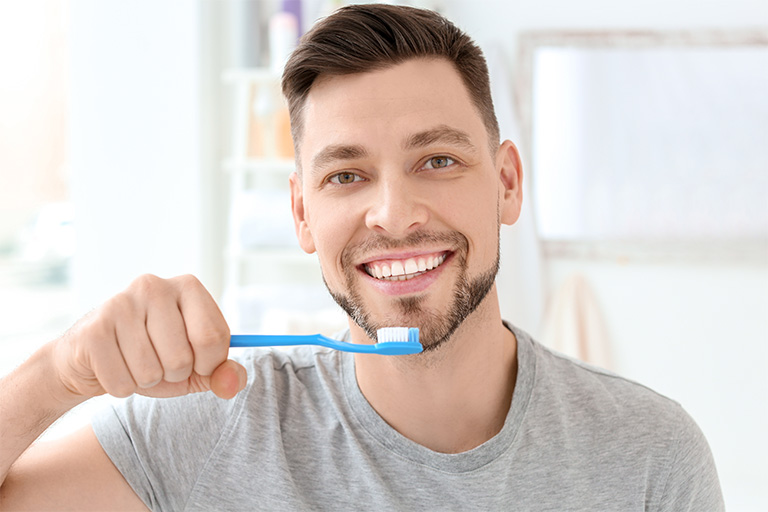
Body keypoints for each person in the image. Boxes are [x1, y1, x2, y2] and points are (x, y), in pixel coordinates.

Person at [0, 4, 723, 510]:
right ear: (302, 215)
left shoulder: (648, 458)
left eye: (437, 160)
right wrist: (56, 375)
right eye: (346, 175)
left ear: (507, 183)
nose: (394, 213)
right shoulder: (215, 428)